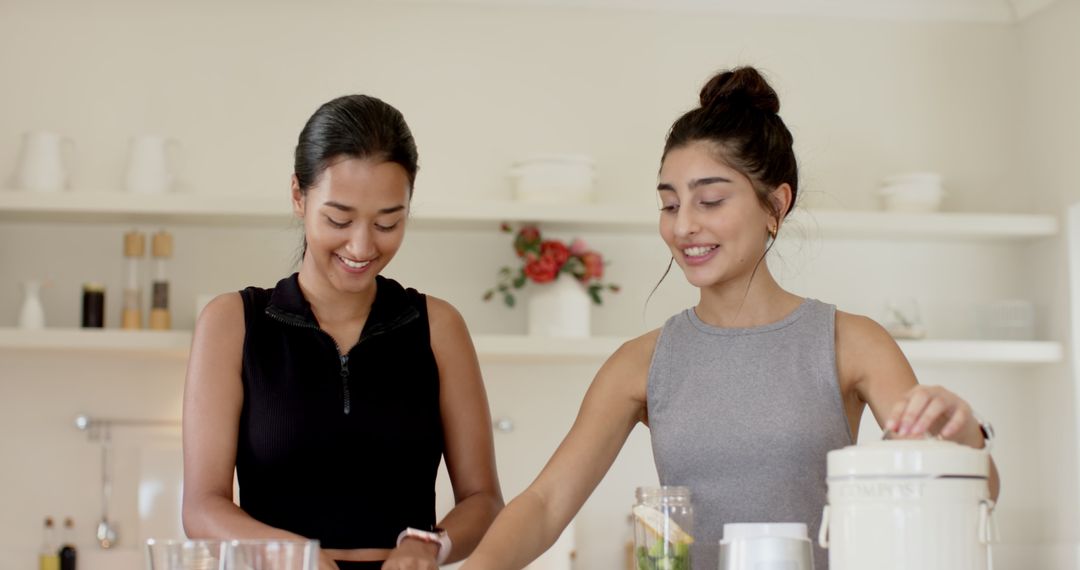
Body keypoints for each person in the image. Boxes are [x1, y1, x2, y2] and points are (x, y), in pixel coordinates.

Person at [459, 66, 1000, 570]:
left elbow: (967, 488)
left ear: (775, 206)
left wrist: (964, 436)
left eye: (710, 200)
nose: (684, 225)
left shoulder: (851, 342)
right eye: (670, 205)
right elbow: (548, 504)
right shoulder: (641, 362)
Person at [182, 94, 504, 570]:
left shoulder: (439, 327)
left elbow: (483, 500)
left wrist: (429, 544)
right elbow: (202, 507)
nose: (362, 245)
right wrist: (293, 556)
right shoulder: (233, 322)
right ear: (298, 196)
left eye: (388, 222)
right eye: (339, 219)